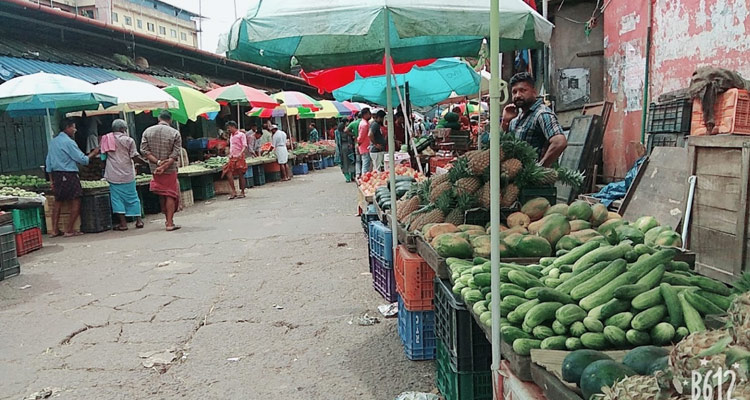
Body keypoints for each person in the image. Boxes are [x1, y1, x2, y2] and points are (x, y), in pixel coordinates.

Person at [45, 118, 99, 237]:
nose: (75, 130)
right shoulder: (69, 142)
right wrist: (94, 153)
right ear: (67, 127)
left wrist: (51, 180)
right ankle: (69, 229)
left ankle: (54, 230)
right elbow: (82, 159)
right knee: (76, 199)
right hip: (68, 174)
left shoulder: (53, 142)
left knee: (58, 201)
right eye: (73, 127)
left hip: (56, 174)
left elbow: (48, 163)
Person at [503, 72, 568, 167]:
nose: (517, 95)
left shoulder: (542, 113)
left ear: (534, 92)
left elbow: (559, 142)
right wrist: (505, 121)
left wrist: (540, 168)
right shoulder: (516, 119)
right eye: (514, 92)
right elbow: (503, 146)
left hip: (536, 180)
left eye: (523, 90)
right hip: (519, 178)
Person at [141, 110, 182, 232]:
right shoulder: (175, 133)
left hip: (155, 169)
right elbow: (175, 154)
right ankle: (169, 222)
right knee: (170, 194)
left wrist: (158, 163)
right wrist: (165, 165)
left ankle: (168, 219)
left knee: (162, 193)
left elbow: (144, 151)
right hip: (170, 169)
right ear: (170, 120)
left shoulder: (147, 131)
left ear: (159, 118)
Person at [102, 119, 145, 231]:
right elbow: (134, 156)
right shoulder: (129, 140)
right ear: (122, 129)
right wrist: (145, 163)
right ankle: (139, 221)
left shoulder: (105, 139)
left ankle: (123, 224)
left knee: (117, 199)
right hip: (127, 173)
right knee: (133, 197)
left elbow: (103, 157)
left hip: (113, 174)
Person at [222, 121, 248, 199]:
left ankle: (242, 191)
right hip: (232, 157)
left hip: (239, 157)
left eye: (229, 127)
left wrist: (241, 153)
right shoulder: (231, 136)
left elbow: (244, 145)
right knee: (228, 173)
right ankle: (233, 191)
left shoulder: (241, 135)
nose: (228, 129)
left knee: (241, 174)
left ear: (233, 126)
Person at [345, 113, 363, 179]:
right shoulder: (364, 123)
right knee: (364, 160)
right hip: (364, 144)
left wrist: (354, 134)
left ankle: (357, 174)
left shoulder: (353, 123)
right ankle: (363, 174)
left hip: (356, 143)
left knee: (358, 160)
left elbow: (346, 130)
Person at [357, 108, 372, 175]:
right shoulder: (364, 125)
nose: (370, 115)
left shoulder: (365, 123)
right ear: (365, 115)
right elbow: (361, 137)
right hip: (365, 147)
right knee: (366, 164)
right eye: (369, 113)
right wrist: (359, 144)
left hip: (365, 146)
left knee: (366, 164)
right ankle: (364, 178)